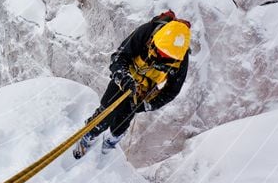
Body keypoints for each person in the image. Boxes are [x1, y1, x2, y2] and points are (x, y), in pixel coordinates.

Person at [73, 10, 191, 159]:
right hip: (125, 79)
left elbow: (172, 91)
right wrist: (122, 77)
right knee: (105, 114)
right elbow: (120, 56)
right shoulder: (147, 32)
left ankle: (110, 143)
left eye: (166, 57)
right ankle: (88, 137)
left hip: (143, 91)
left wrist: (148, 105)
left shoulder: (180, 59)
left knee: (122, 122)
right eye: (159, 51)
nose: (160, 57)